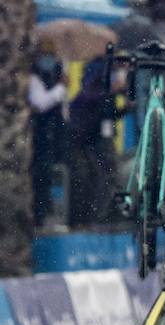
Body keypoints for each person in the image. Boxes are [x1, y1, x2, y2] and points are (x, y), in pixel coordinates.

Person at [66, 59, 121, 228]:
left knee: (98, 179)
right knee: (86, 179)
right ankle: (84, 219)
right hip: (83, 143)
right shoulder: (90, 95)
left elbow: (108, 115)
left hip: (92, 141)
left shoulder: (103, 94)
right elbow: (94, 112)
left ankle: (93, 218)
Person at [29, 37, 67, 227]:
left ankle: (45, 212)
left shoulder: (55, 75)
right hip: (39, 137)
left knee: (50, 175)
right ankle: (39, 216)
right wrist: (60, 88)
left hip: (53, 137)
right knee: (39, 177)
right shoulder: (33, 77)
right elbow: (40, 103)